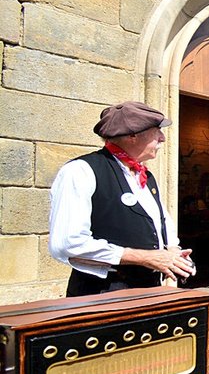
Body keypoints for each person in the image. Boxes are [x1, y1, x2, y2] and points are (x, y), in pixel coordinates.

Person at [49, 101, 195, 296]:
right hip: (102, 293)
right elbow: (68, 243)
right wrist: (146, 258)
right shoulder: (80, 171)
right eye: (156, 131)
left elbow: (161, 226)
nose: (162, 138)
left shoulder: (146, 176)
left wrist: (174, 255)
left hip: (147, 290)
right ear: (132, 135)